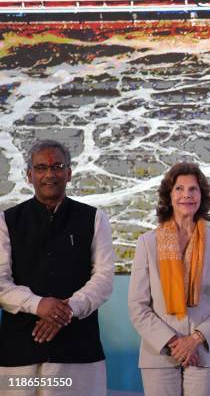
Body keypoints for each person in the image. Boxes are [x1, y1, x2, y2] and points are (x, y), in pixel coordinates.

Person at [0, 139, 115, 396]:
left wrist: (68, 310)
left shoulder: (94, 218)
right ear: (29, 175)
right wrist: (38, 305)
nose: (49, 174)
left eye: (57, 166)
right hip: (19, 353)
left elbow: (104, 278)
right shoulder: (6, 221)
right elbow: (0, 282)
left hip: (78, 352)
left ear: (69, 173)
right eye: (41, 168)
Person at [128, 162, 210, 396]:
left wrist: (196, 339)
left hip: (206, 352)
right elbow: (138, 306)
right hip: (159, 353)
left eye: (193, 189)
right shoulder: (148, 243)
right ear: (169, 195)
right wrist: (174, 342)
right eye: (179, 189)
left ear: (202, 195)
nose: (186, 195)